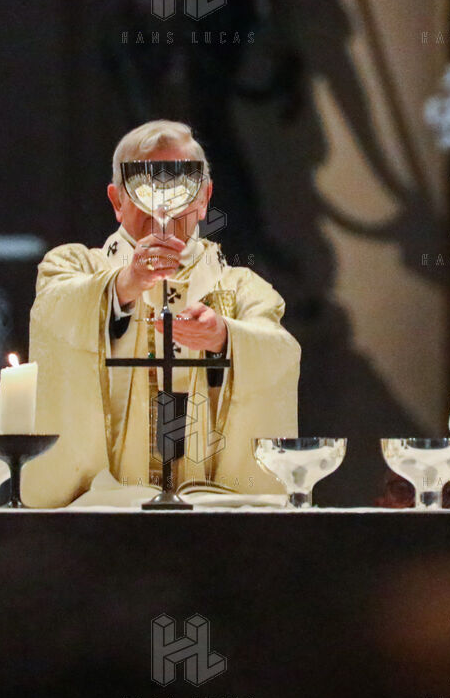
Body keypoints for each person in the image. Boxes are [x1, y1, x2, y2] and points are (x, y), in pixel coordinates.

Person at [24, 120, 300, 507]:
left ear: (204, 198)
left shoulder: (240, 287)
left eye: (179, 185)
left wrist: (225, 337)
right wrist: (125, 284)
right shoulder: (74, 266)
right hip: (101, 506)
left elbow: (278, 349)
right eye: (145, 186)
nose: (163, 205)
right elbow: (55, 310)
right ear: (117, 201)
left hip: (214, 507)